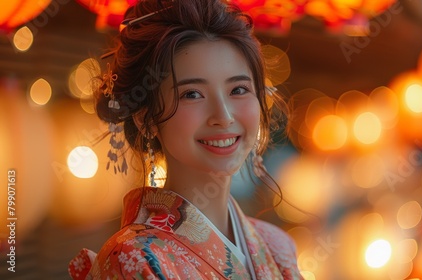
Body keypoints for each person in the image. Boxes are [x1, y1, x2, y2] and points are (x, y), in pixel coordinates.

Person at [68, 0, 303, 279]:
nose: (223, 116)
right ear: (146, 119)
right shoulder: (134, 257)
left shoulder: (278, 246)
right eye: (192, 94)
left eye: (238, 89)